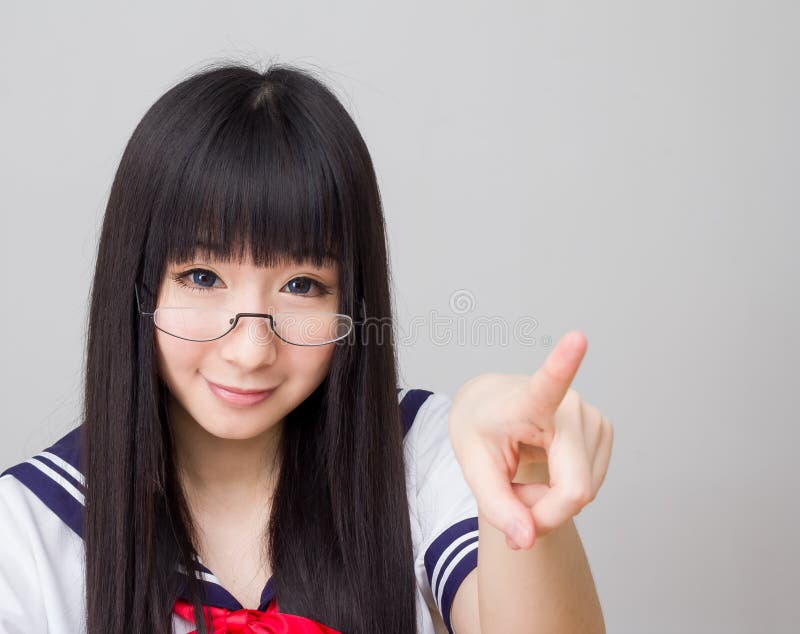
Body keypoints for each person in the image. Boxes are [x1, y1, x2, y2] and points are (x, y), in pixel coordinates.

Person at [0, 61, 612, 634]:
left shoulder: (420, 454)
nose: (249, 350)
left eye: (302, 285)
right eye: (203, 278)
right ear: (136, 286)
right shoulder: (26, 529)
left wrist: (521, 466)